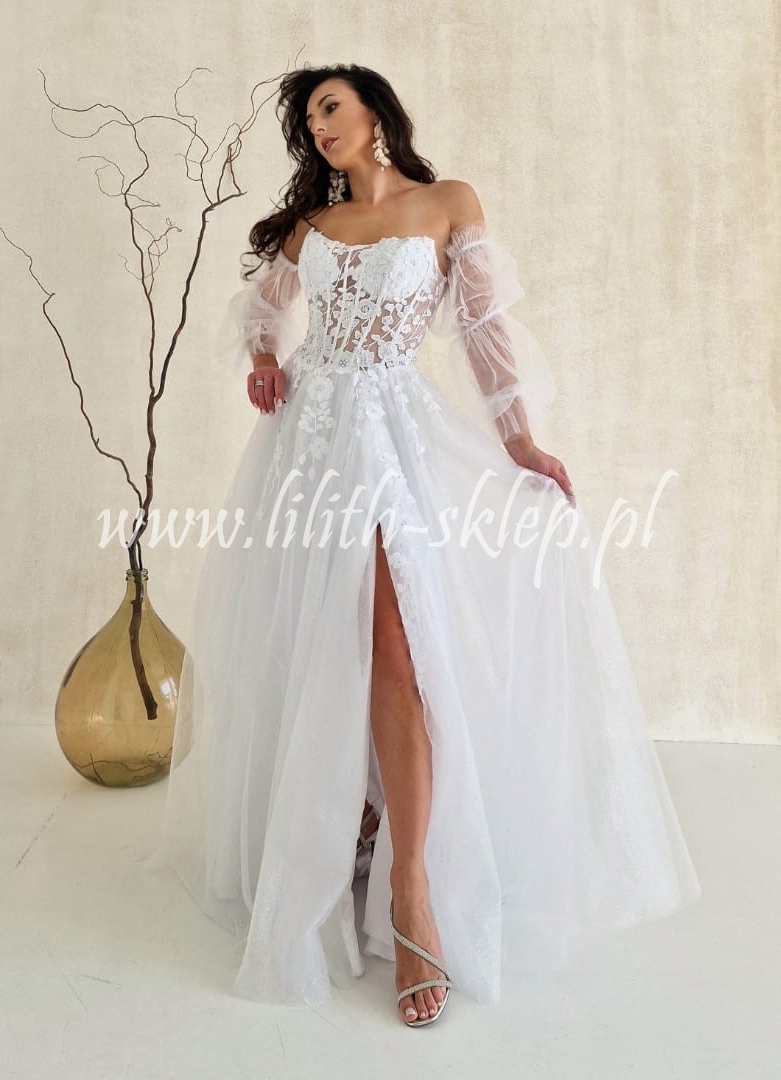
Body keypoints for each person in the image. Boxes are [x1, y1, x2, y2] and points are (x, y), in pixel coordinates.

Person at [149, 63, 701, 1026]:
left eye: (331, 105)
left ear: (376, 111)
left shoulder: (448, 204)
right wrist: (267, 362)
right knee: (324, 646)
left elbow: (484, 331)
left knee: (399, 649)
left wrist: (520, 442)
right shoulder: (310, 227)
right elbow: (265, 312)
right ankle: (354, 817)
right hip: (309, 448)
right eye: (308, 117)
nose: (319, 125)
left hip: (394, 438)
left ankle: (413, 891)